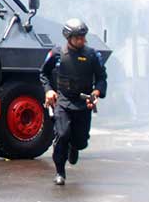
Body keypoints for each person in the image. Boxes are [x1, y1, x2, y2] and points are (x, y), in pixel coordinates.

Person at [40, 18, 108, 185]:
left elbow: (101, 78)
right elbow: (43, 74)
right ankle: (60, 172)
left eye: (83, 37)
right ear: (68, 38)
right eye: (78, 37)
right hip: (63, 100)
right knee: (62, 135)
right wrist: (49, 90)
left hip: (83, 102)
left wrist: (96, 92)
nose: (82, 40)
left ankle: (75, 146)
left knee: (81, 140)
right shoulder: (56, 53)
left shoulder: (93, 55)